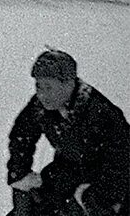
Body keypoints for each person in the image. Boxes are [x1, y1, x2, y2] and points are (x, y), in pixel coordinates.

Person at [8, 50, 130, 216]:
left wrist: (93, 198)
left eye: (48, 87)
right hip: (67, 173)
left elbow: (122, 161)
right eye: (38, 85)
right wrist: (20, 175)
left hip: (109, 185)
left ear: (69, 84)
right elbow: (21, 135)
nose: (42, 94)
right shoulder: (41, 106)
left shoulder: (100, 113)